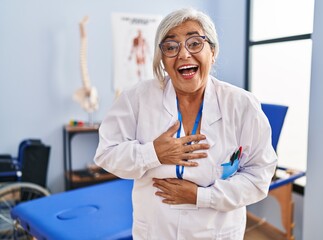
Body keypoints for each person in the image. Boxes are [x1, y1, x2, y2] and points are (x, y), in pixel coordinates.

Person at [94, 8, 277, 240]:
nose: (183, 54)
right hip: (156, 231)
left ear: (213, 52)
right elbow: (106, 154)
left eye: (194, 43)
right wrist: (153, 153)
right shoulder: (137, 98)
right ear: (162, 59)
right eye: (171, 47)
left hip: (216, 232)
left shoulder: (242, 105)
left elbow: (259, 176)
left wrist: (202, 196)